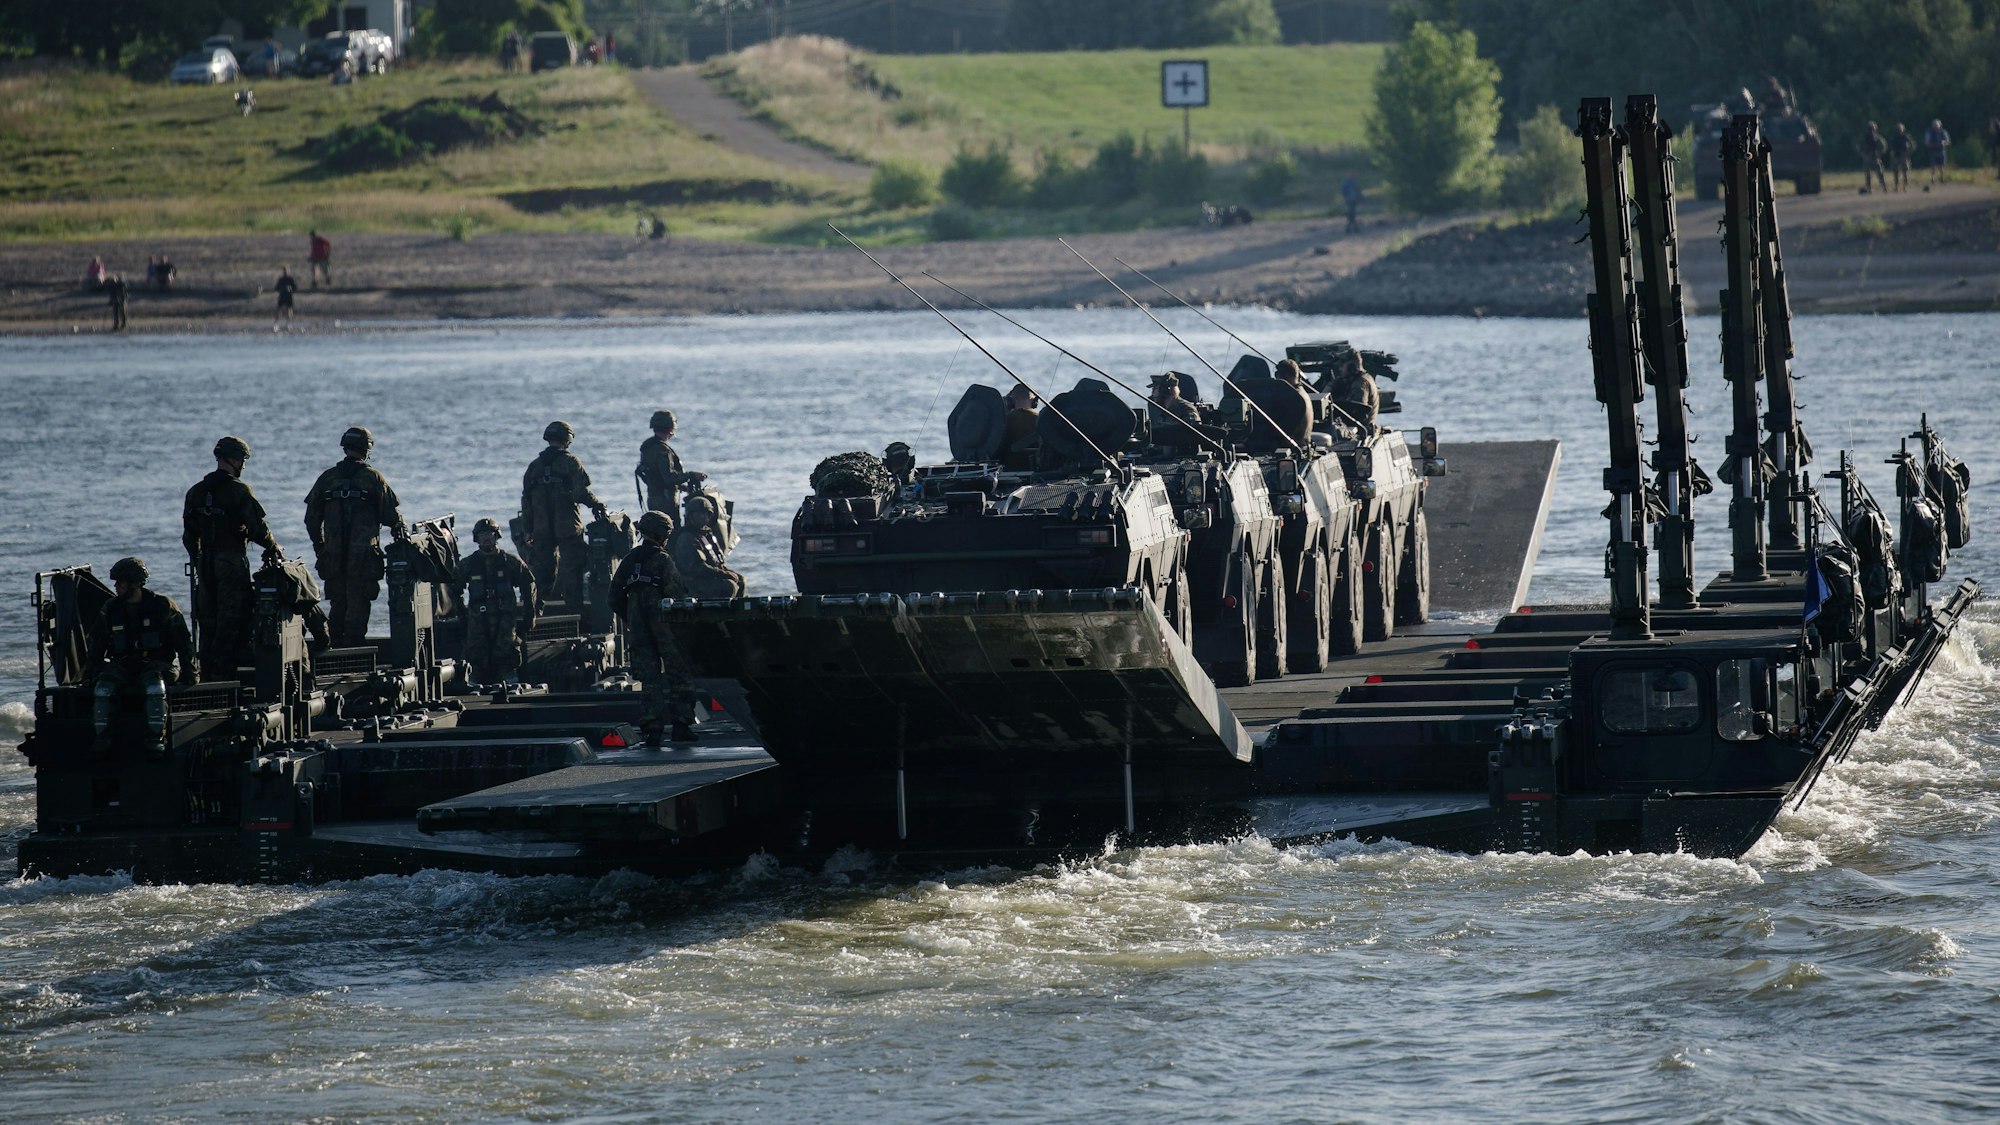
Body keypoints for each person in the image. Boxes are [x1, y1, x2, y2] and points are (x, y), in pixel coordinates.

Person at [183, 435, 283, 679]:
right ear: (233, 459)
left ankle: (205, 675)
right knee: (231, 618)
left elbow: (188, 536)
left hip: (205, 562)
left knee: (207, 620)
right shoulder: (239, 490)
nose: (243, 466)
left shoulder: (196, 491)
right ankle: (224, 677)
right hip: (230, 561)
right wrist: (273, 547)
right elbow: (257, 527)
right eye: (242, 460)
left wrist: (198, 561)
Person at [304, 426, 406, 646]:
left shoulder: (327, 478)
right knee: (358, 604)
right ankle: (353, 650)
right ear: (367, 449)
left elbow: (311, 519)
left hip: (332, 556)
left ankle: (332, 649)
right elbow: (393, 518)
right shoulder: (373, 478)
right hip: (363, 558)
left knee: (337, 604)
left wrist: (320, 548)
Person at [85, 557, 195, 757]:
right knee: (103, 688)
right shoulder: (111, 609)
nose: (116, 586)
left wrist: (191, 676)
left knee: (154, 687)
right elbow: (96, 645)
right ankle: (102, 738)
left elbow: (184, 644)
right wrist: (90, 674)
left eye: (120, 582)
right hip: (123, 665)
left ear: (135, 583)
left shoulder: (162, 606)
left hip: (156, 665)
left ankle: (156, 739)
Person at [611, 510, 698, 745]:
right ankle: (681, 726)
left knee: (649, 681)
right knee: (679, 674)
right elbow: (677, 595)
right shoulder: (663, 560)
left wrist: (628, 615)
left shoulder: (630, 560)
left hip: (639, 630)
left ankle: (653, 730)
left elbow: (613, 595)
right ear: (663, 535)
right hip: (666, 629)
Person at [521, 420, 609, 609]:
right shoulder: (570, 462)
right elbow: (580, 493)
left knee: (542, 575)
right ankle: (574, 614)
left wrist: (528, 529)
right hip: (567, 526)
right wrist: (597, 504)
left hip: (541, 529)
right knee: (573, 571)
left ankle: (536, 613)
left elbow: (526, 502)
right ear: (567, 440)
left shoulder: (533, 467)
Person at [456, 517, 538, 684]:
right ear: (476, 539)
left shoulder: (510, 562)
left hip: (505, 620)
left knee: (506, 654)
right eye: (483, 535)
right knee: (476, 654)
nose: (487, 539)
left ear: (497, 537)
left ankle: (510, 681)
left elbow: (529, 585)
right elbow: (454, 590)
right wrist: (462, 616)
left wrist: (530, 616)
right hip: (478, 620)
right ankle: (474, 681)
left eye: (490, 535)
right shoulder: (468, 564)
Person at [670, 491, 746, 599]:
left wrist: (727, 571)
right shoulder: (687, 538)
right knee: (729, 586)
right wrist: (724, 574)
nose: (703, 517)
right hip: (692, 584)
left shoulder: (705, 534)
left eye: (705, 514)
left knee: (740, 580)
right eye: (699, 514)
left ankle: (738, 613)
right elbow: (698, 568)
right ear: (691, 515)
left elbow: (716, 562)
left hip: (707, 577)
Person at [635, 410, 705, 518]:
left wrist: (680, 486)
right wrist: (692, 475)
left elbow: (656, 476)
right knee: (672, 531)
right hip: (666, 502)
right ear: (670, 428)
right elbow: (669, 478)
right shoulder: (663, 451)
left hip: (654, 499)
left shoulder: (648, 447)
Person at [1000, 383, 1040, 471]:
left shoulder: (1003, 421)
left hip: (1008, 471)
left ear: (1010, 401)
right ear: (1035, 401)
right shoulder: (1043, 420)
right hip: (1037, 472)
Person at [1857, 122, 1888, 194]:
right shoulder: (1863, 138)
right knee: (1867, 174)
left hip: (1875, 157)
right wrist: (1863, 154)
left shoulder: (1878, 138)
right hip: (1867, 157)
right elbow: (1859, 147)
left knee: (1880, 173)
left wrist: (1879, 153)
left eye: (1872, 129)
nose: (1871, 131)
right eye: (1869, 129)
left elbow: (1884, 146)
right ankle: (1869, 188)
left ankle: (1884, 187)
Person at [1888, 123, 1914, 192]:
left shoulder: (1906, 137)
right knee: (1896, 172)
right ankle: (1896, 186)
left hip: (1904, 156)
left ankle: (1905, 186)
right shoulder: (1893, 137)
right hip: (1896, 156)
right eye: (1898, 130)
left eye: (1900, 129)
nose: (1899, 131)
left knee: (1905, 172)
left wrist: (1908, 153)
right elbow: (1891, 147)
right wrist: (1892, 155)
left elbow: (1912, 146)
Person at [1924, 119, 1951, 186]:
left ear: (1940, 125)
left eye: (1937, 125)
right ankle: (1932, 179)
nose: (1936, 127)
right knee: (1933, 166)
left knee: (1942, 165)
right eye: (1934, 126)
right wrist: (1933, 144)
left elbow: (1948, 141)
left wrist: (1943, 143)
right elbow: (1926, 142)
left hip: (1942, 150)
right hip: (1933, 150)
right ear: (1932, 126)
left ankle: (1942, 178)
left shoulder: (1944, 132)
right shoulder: (1929, 132)